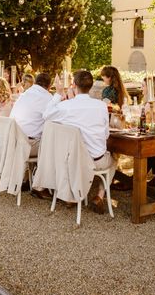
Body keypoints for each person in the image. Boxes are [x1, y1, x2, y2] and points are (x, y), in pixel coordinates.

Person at [43, 70, 116, 214]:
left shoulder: (66, 107)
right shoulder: (101, 106)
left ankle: (72, 194)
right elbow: (106, 135)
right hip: (97, 161)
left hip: (73, 161)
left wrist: (58, 93)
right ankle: (100, 195)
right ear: (91, 85)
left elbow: (46, 115)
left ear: (74, 85)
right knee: (114, 160)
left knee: (77, 157)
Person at [11, 73, 52, 157]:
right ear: (49, 86)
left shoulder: (24, 94)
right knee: (57, 143)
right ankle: (46, 170)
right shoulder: (48, 98)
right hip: (27, 145)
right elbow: (56, 118)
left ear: (35, 82)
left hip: (12, 142)